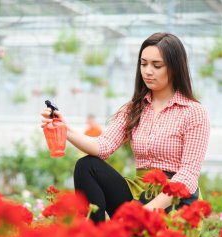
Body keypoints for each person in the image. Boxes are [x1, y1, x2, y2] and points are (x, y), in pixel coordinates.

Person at [41, 32, 210, 223]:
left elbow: (188, 175)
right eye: (143, 63)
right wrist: (64, 129)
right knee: (87, 166)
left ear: (174, 68)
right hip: (139, 194)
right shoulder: (134, 108)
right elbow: (103, 146)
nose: (147, 71)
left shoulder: (194, 112)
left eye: (156, 65)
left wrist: (145, 212)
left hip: (175, 200)